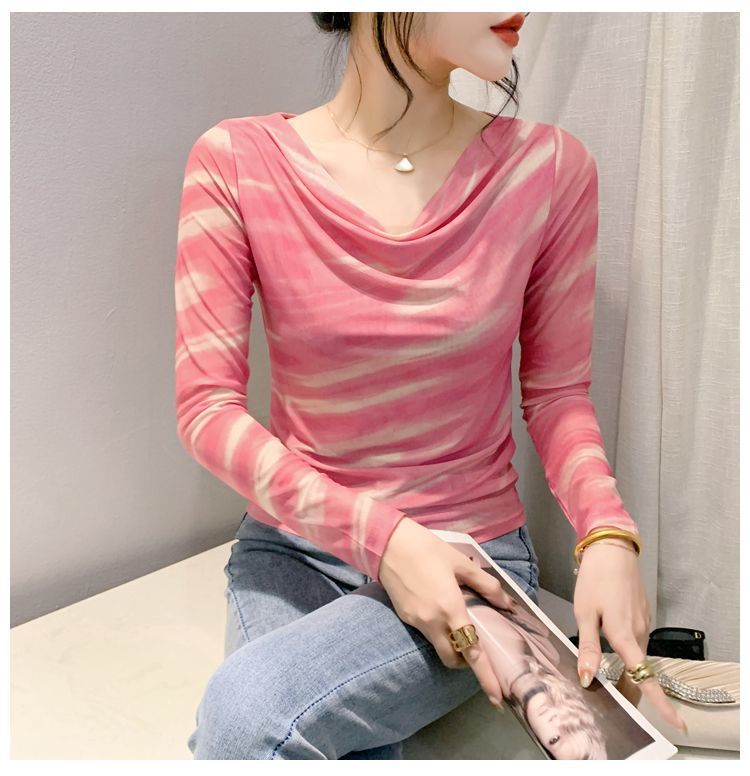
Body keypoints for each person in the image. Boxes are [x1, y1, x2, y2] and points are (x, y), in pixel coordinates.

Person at [175, 11, 686, 759]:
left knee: (245, 713)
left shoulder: (549, 169)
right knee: (267, 724)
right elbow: (207, 409)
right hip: (291, 551)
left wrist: (607, 531)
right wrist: (381, 540)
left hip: (472, 561)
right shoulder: (236, 162)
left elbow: (555, 393)